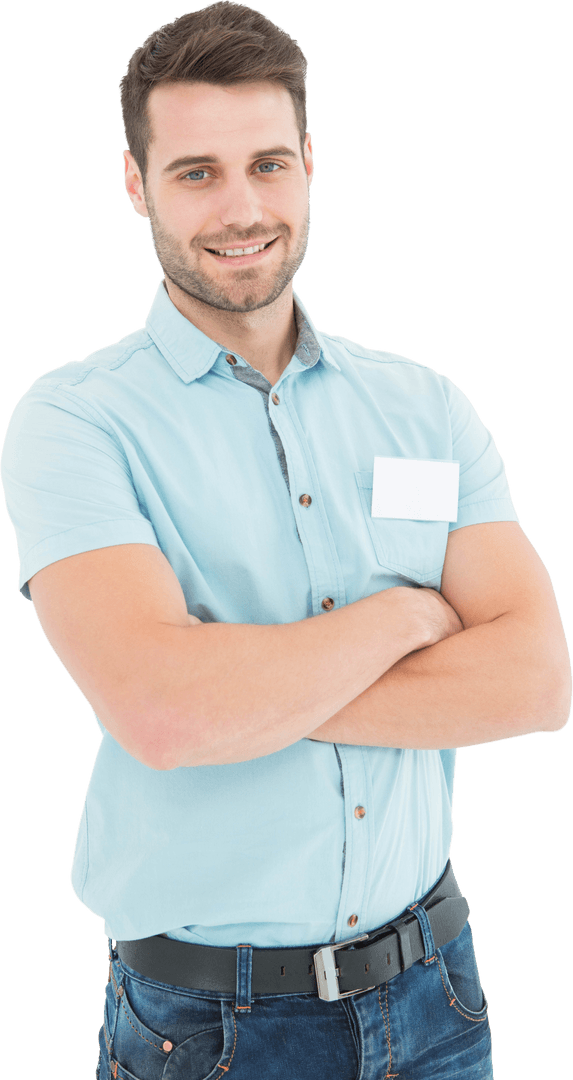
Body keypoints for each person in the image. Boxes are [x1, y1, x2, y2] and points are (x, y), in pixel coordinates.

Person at [1, 2, 570, 1077]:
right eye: (196, 173)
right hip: (210, 1027)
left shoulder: (424, 406)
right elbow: (163, 714)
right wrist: (406, 619)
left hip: (437, 994)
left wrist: (240, 696)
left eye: (267, 163)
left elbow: (536, 683)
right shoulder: (75, 422)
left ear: (309, 164)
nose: (242, 208)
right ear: (135, 184)